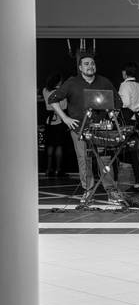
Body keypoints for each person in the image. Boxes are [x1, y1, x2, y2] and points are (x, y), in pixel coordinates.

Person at [46, 52, 124, 202]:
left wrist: (111, 115)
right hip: (79, 129)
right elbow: (52, 99)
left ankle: (111, 191)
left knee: (105, 159)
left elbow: (118, 102)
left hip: (101, 129)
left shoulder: (104, 82)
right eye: (86, 64)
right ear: (80, 68)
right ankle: (88, 190)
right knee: (84, 159)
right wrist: (65, 118)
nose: (90, 66)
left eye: (92, 63)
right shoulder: (71, 83)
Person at [118, 62, 139, 195]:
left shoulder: (124, 85)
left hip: (128, 121)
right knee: (138, 153)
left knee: (128, 152)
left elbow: (125, 103)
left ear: (125, 73)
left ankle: (132, 182)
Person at [41, 73, 68, 177]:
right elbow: (64, 106)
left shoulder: (45, 90)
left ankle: (48, 169)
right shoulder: (60, 92)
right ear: (58, 82)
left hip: (49, 120)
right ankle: (58, 170)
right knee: (59, 145)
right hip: (59, 120)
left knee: (50, 145)